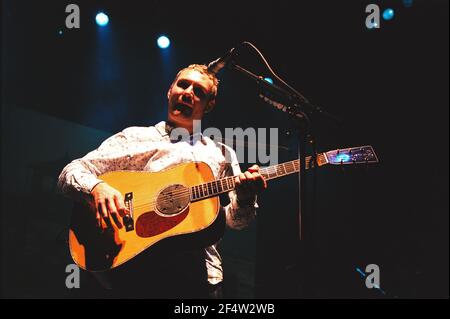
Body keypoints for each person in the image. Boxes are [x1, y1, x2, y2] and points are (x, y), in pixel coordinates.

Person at [58, 64, 267, 298]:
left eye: (199, 92)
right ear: (170, 91)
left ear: (209, 105)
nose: (188, 93)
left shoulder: (222, 154)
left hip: (197, 279)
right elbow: (71, 171)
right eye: (183, 84)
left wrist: (247, 197)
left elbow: (235, 222)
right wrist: (97, 187)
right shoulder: (135, 138)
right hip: (135, 269)